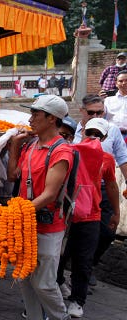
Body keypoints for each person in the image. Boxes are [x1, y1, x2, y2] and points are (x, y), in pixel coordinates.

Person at [7, 94, 72, 320]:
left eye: (36, 114)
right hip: (26, 223)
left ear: (52, 118)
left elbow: (50, 194)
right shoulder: (31, 145)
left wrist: (15, 212)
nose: (31, 118)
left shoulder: (61, 151)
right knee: (25, 278)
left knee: (44, 283)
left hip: (47, 225)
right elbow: (12, 175)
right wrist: (15, 144)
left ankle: (59, 317)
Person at [56, 117, 120, 318]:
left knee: (73, 258)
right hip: (76, 214)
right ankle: (66, 291)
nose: (93, 137)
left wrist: (116, 212)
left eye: (97, 134)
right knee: (69, 257)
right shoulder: (78, 152)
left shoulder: (99, 157)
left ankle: (73, 296)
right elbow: (111, 186)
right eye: (92, 133)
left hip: (80, 214)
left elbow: (111, 185)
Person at [73, 94, 127, 287]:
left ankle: (89, 264)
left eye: (100, 112)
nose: (96, 115)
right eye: (91, 112)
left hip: (103, 189)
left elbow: (122, 158)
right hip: (75, 191)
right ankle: (78, 271)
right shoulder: (72, 130)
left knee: (107, 233)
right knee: (76, 234)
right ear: (82, 111)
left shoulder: (112, 131)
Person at [103, 70, 127, 138]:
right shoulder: (108, 100)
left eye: (126, 80)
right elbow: (100, 116)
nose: (124, 83)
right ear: (116, 83)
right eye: (121, 81)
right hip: (111, 135)